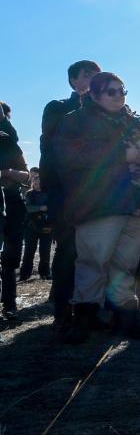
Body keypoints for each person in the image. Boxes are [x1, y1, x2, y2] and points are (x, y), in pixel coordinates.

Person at [55, 71, 140, 343]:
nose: (119, 96)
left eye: (122, 90)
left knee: (126, 264)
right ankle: (85, 315)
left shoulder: (139, 124)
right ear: (94, 93)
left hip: (139, 204)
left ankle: (125, 313)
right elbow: (68, 156)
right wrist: (124, 155)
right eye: (111, 91)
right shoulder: (76, 120)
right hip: (100, 203)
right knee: (93, 262)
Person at [40, 59, 101, 336]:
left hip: (99, 195)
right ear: (73, 81)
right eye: (87, 75)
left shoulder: (108, 112)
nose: (92, 80)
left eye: (97, 76)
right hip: (66, 194)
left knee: (95, 254)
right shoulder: (58, 108)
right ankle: (62, 311)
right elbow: (51, 151)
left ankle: (91, 312)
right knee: (67, 253)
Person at [0, 105, 29, 321]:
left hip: (12, 206)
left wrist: (8, 173)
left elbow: (26, 175)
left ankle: (9, 304)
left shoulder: (9, 142)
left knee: (9, 259)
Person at [20, 168, 52, 283]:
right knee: (29, 251)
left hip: (46, 227)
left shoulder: (49, 194)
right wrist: (40, 208)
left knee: (45, 252)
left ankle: (45, 273)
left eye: (39, 183)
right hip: (31, 227)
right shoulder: (29, 194)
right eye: (36, 183)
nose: (38, 185)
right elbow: (27, 208)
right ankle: (24, 274)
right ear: (32, 183)